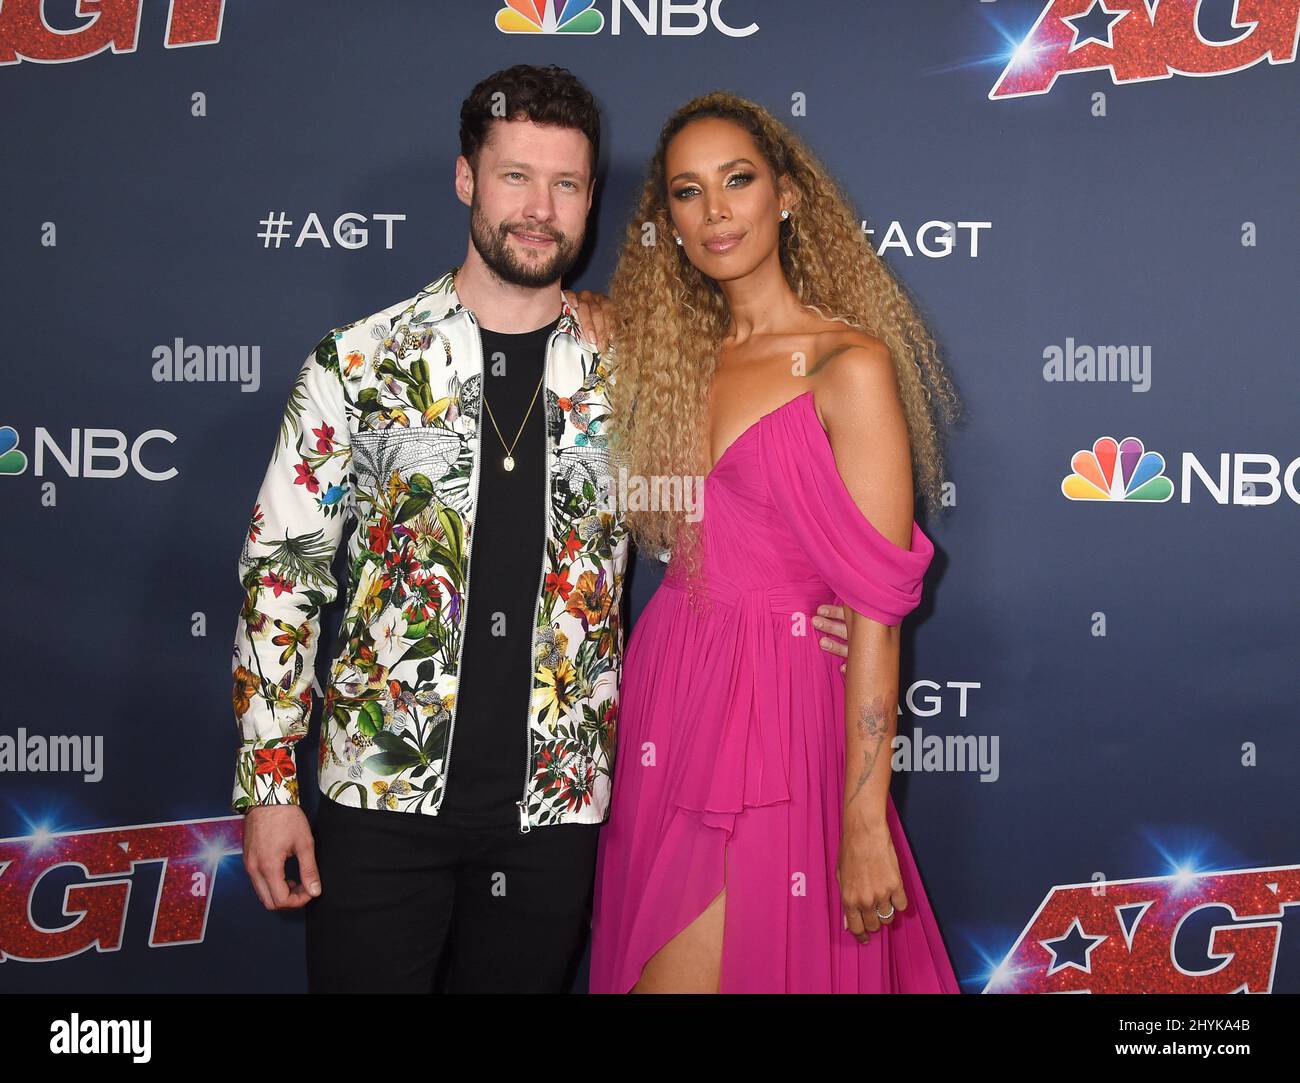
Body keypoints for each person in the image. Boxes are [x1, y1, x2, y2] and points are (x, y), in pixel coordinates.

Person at [230, 65, 853, 993]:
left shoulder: (637, 370)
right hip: (381, 795)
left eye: (564, 184)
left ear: (591, 200)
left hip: (556, 806)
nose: (538, 208)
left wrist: (820, 599)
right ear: (465, 178)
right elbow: (282, 574)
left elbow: (711, 520)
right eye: (515, 176)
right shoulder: (361, 361)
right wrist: (272, 786)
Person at [588, 91, 964, 993]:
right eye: (687, 191)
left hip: (783, 701)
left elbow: (874, 611)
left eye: (738, 180)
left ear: (786, 195)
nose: (716, 211)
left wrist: (864, 815)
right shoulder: (662, 355)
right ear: (667, 221)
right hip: (668, 690)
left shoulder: (849, 363)